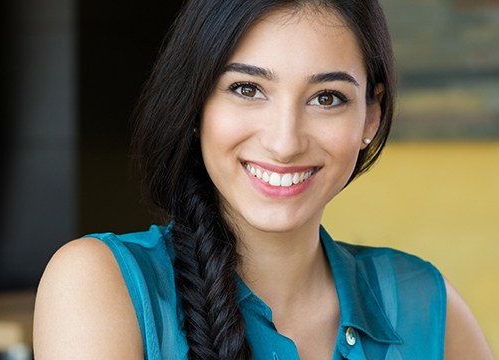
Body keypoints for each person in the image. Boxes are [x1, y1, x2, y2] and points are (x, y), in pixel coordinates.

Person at [33, 0, 493, 358]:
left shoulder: (426, 304)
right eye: (247, 89)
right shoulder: (100, 284)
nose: (284, 141)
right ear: (196, 105)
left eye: (327, 98)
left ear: (370, 116)